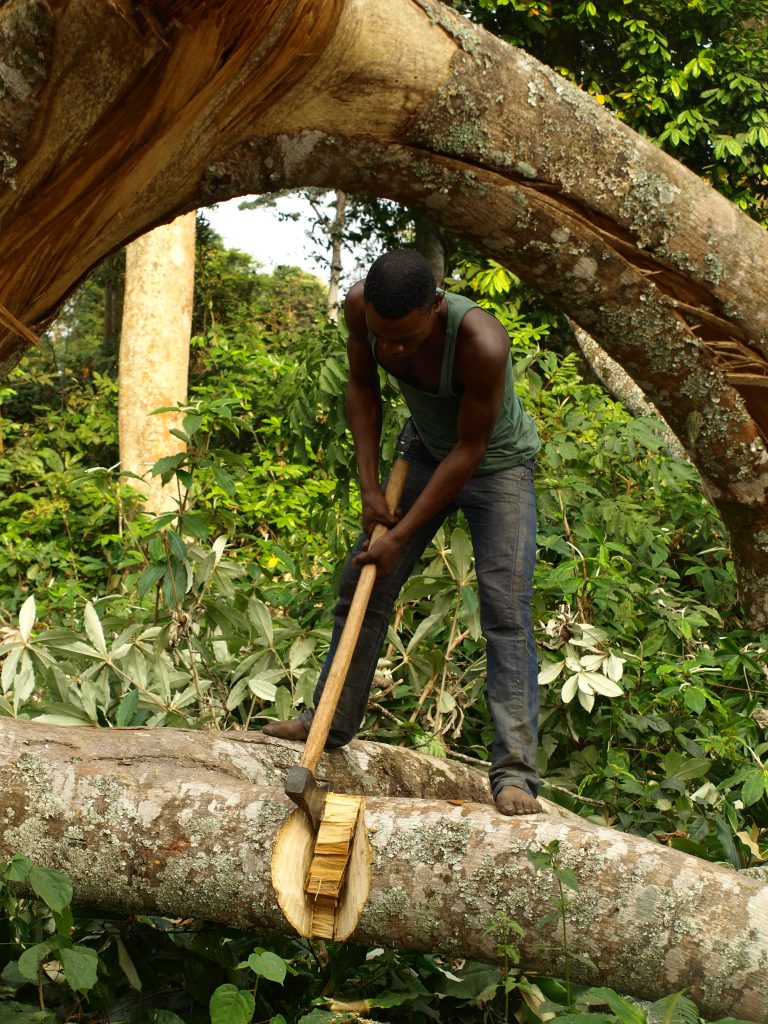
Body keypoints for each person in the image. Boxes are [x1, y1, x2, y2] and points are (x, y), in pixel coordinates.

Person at [264, 250, 542, 815]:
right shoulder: (361, 309)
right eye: (381, 338)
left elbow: (470, 449)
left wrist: (402, 533)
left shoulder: (481, 343)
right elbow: (363, 391)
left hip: (497, 467)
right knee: (363, 583)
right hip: (421, 451)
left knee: (505, 614)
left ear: (436, 308)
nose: (390, 349)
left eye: (405, 340)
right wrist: (370, 490)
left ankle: (514, 774)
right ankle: (329, 723)